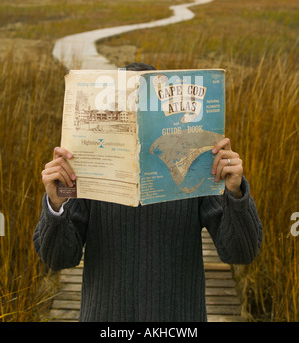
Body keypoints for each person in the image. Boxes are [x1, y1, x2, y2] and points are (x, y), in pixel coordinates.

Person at [33, 62, 263, 322]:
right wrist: (55, 203)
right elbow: (58, 258)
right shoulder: (86, 166)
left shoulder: (197, 166)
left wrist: (235, 193)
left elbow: (242, 252)